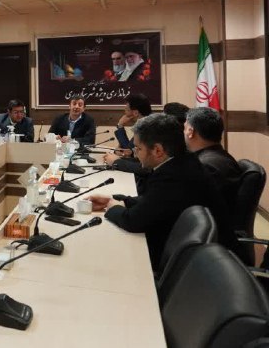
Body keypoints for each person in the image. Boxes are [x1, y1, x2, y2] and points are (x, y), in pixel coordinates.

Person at [89, 113, 236, 269]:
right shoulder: (183, 161)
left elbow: (133, 221)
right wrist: (120, 199)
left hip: (199, 267)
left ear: (158, 150)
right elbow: (154, 201)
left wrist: (112, 206)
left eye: (138, 148)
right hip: (194, 253)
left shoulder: (173, 176)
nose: (136, 153)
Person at [184, 107, 242, 216]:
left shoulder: (205, 166)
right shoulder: (221, 157)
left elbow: (189, 205)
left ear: (190, 132)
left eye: (184, 128)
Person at [104, 93, 152, 167]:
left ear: (136, 113)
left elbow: (127, 149)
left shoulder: (147, 128)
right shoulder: (146, 123)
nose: (124, 111)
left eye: (126, 109)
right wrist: (129, 152)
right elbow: (128, 151)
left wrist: (120, 125)